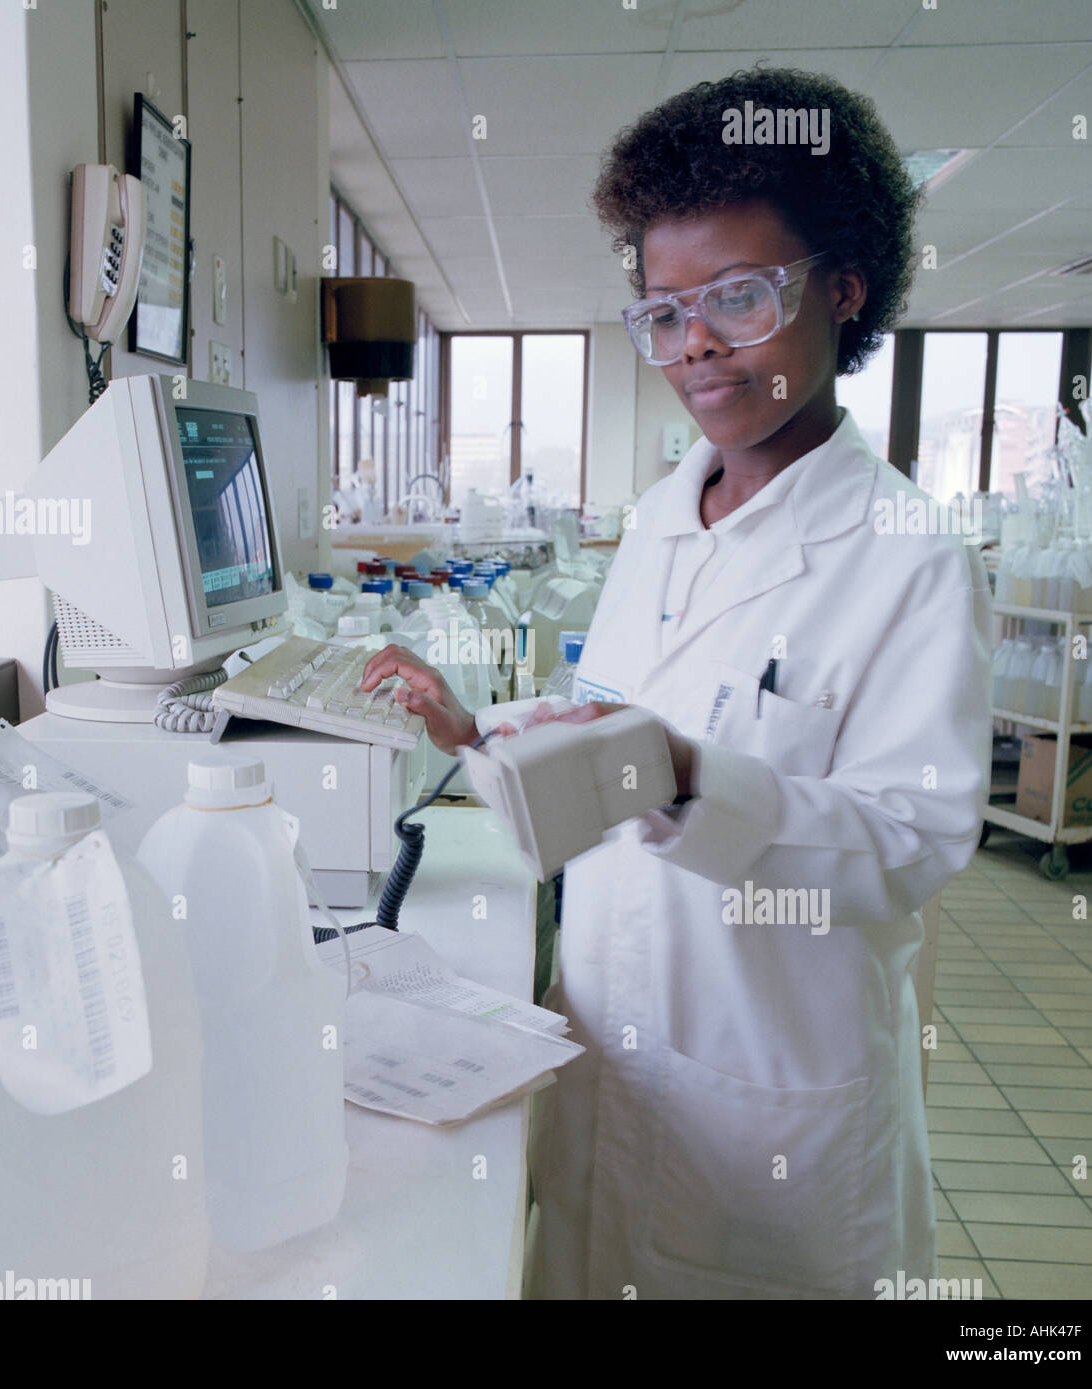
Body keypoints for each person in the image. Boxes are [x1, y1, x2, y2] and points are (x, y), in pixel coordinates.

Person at [360, 67, 991, 1300]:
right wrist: (477, 726)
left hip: (765, 1090)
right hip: (615, 1047)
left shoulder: (907, 555)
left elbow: (912, 839)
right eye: (664, 309)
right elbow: (614, 724)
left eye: (740, 297)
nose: (695, 340)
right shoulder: (662, 514)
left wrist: (698, 779)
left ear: (842, 293)